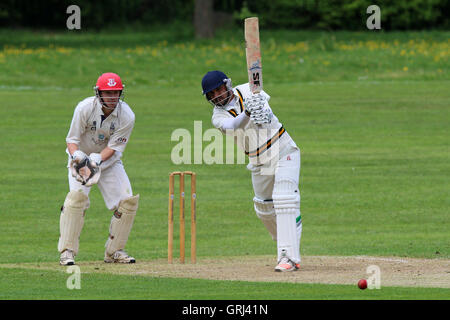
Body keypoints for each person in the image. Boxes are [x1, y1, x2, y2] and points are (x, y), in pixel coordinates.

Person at [201, 70, 302, 272]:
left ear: (227, 85)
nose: (216, 96)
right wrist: (247, 113)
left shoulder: (249, 89)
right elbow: (233, 125)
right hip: (258, 160)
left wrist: (262, 111)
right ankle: (287, 232)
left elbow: (267, 113)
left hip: (283, 149)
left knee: (284, 199)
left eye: (218, 90)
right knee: (264, 209)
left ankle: (288, 256)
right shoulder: (218, 116)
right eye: (211, 95)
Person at [58, 72, 139, 265]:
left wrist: (97, 159)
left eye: (116, 93)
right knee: (76, 200)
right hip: (80, 160)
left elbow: (114, 147)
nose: (112, 97)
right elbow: (72, 139)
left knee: (127, 203)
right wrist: (78, 156)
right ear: (99, 93)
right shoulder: (84, 108)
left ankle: (114, 252)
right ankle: (67, 251)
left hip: (109, 162)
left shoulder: (127, 115)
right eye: (108, 93)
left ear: (121, 93)